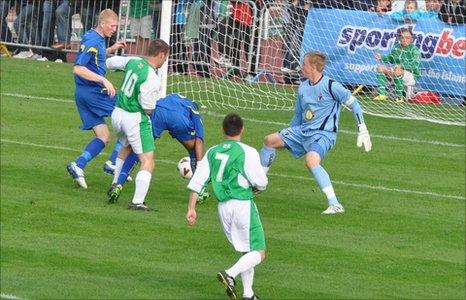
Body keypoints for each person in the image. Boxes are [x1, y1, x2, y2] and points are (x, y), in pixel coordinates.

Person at [259, 51, 372, 215]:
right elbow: (298, 114)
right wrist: (289, 133)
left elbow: (354, 104)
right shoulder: (303, 87)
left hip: (323, 135)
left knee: (311, 161)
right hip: (303, 131)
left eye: (304, 64)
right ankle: (260, 183)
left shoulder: (331, 86)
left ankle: (335, 204)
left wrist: (362, 129)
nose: (301, 67)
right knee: (270, 140)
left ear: (312, 66)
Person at [186, 113, 268, 300]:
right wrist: (256, 188)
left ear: (222, 130)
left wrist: (191, 208)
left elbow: (197, 181)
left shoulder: (212, 152)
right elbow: (261, 182)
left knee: (245, 250)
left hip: (223, 208)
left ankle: (249, 294)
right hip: (242, 205)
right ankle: (230, 274)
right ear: (242, 130)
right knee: (259, 251)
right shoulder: (247, 151)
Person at [107, 93, 209, 204]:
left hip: (158, 112)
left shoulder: (172, 96)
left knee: (139, 149)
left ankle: (118, 184)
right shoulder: (194, 110)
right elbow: (199, 140)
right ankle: (200, 191)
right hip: (178, 119)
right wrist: (200, 165)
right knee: (193, 149)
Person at [106, 38, 170, 211]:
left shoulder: (133, 61)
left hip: (117, 113)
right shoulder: (152, 77)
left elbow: (110, 62)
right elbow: (148, 108)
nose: (165, 62)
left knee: (125, 147)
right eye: (165, 58)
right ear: (161, 55)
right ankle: (137, 202)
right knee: (147, 161)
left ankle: (114, 184)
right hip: (134, 118)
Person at [66, 9, 126, 189]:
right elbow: (78, 68)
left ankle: (78, 165)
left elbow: (94, 56)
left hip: (82, 94)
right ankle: (114, 162)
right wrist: (103, 79)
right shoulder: (93, 39)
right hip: (93, 93)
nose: (114, 29)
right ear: (103, 24)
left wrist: (111, 49)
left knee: (104, 136)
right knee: (129, 114)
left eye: (116, 26)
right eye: (112, 26)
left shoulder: (95, 37)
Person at [374, 28, 421, 103]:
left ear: (411, 39)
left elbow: (415, 64)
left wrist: (401, 66)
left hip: (411, 76)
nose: (404, 39)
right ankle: (382, 94)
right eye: (402, 37)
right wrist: (381, 57)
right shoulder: (397, 47)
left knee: (397, 70)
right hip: (396, 71)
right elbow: (391, 58)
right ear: (399, 38)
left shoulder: (415, 50)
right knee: (380, 67)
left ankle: (399, 97)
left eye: (407, 38)